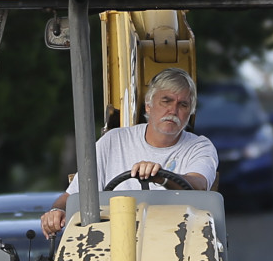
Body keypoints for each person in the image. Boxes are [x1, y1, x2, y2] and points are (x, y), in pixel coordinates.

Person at [40, 67, 216, 238]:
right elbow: (73, 195)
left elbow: (199, 184)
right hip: (110, 242)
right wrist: (57, 211)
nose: (173, 110)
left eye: (183, 104)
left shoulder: (200, 147)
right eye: (166, 101)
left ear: (190, 112)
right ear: (148, 106)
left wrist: (163, 177)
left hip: (176, 241)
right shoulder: (113, 141)